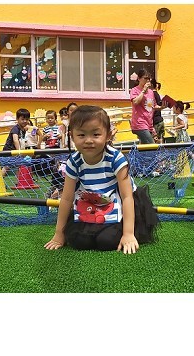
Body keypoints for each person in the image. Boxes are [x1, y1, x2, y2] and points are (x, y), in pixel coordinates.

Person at [44, 105, 159, 254]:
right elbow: (66, 198)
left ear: (108, 135)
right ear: (72, 136)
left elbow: (127, 197)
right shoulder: (74, 162)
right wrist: (59, 234)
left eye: (96, 134)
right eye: (81, 135)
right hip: (91, 204)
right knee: (80, 241)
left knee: (107, 241)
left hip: (119, 202)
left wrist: (128, 234)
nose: (88, 140)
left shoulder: (115, 159)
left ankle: (120, 230)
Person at [129, 69, 157, 144]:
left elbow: (152, 106)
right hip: (139, 123)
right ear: (139, 79)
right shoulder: (134, 90)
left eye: (149, 78)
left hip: (149, 124)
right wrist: (143, 91)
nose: (147, 80)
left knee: (145, 148)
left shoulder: (151, 92)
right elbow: (135, 102)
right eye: (145, 78)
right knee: (151, 145)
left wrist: (163, 106)